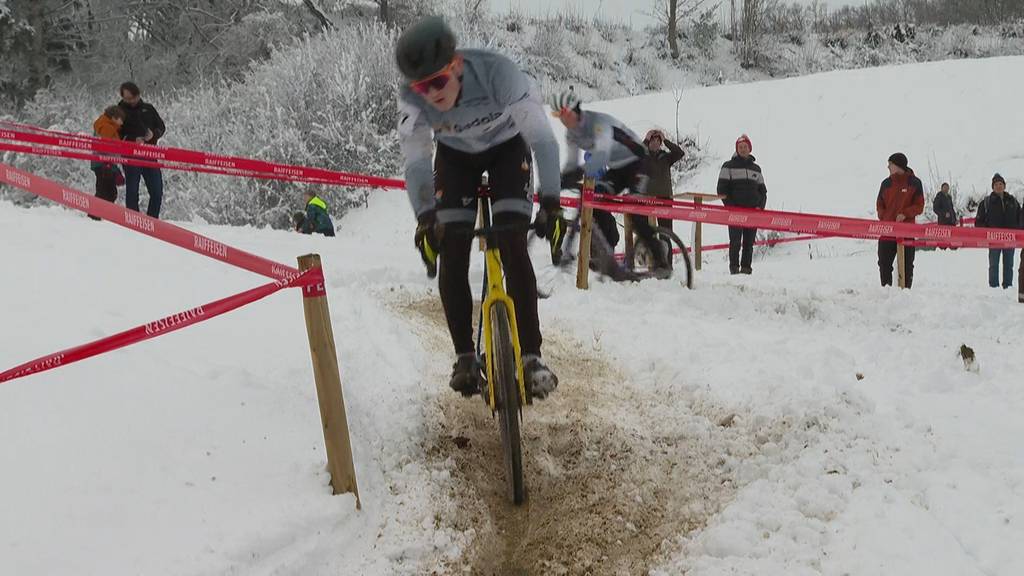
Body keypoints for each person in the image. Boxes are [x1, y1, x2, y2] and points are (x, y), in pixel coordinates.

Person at [395, 16, 560, 399]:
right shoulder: (412, 99)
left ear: (455, 65)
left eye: (437, 81)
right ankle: (465, 356)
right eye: (422, 86)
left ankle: (531, 357)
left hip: (507, 148)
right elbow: (417, 161)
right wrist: (424, 219)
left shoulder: (498, 74)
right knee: (452, 247)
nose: (431, 93)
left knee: (513, 244)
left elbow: (542, 140)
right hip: (455, 159)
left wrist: (550, 201)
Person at [550, 89, 668, 272]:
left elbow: (601, 155)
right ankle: (608, 248)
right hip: (617, 168)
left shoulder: (598, 123)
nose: (561, 119)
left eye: (563, 113)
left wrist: (577, 174)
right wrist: (560, 180)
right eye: (557, 115)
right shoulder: (571, 134)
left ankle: (660, 258)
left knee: (635, 213)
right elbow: (571, 163)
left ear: (574, 109)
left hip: (638, 163)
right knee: (596, 199)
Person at [717, 134, 767, 275]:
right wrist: (731, 207)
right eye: (740, 147)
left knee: (749, 243)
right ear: (737, 149)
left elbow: (763, 191)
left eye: (745, 147)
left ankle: (746, 268)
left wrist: (760, 207)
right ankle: (734, 268)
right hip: (735, 212)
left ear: (750, 149)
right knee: (735, 242)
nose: (743, 149)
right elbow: (721, 189)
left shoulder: (756, 169)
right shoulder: (728, 166)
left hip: (753, 212)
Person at [118, 81, 166, 218]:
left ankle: (152, 220)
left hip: (150, 153)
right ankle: (134, 220)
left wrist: (154, 134)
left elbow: (162, 126)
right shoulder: (119, 111)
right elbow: (115, 134)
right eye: (127, 98)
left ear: (138, 95)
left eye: (133, 97)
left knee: (157, 191)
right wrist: (131, 140)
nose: (130, 101)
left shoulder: (148, 109)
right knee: (132, 190)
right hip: (130, 155)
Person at [875, 152, 924, 288]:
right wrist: (885, 217)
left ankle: (905, 293)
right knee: (884, 263)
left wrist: (905, 214)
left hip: (907, 231)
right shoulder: (886, 183)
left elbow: (919, 206)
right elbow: (879, 205)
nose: (888, 167)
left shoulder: (915, 183)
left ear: (898, 166)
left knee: (908, 264)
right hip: (887, 232)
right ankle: (886, 291)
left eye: (890, 164)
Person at [975, 173, 1020, 289]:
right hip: (993, 239)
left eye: (1001, 184)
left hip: (1010, 239)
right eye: (996, 184)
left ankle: (1008, 286)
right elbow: (979, 221)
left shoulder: (1012, 201)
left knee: (1009, 265)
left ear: (1004, 186)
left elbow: (1020, 218)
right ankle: (993, 287)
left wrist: (1018, 231)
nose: (999, 186)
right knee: (994, 264)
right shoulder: (986, 202)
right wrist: (986, 232)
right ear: (993, 187)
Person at [642, 129, 685, 232]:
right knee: (646, 232)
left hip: (665, 198)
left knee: (666, 232)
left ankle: (666, 248)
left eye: (658, 141)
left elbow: (679, 153)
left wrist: (665, 140)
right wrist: (646, 139)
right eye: (653, 140)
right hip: (646, 198)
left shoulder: (665, 157)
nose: (656, 143)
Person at [88, 105, 126, 220]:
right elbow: (106, 149)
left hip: (102, 163)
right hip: (105, 164)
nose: (122, 123)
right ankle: (95, 215)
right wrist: (113, 168)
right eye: (121, 119)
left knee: (104, 189)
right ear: (114, 117)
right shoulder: (107, 128)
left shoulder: (104, 124)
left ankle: (97, 214)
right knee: (107, 191)